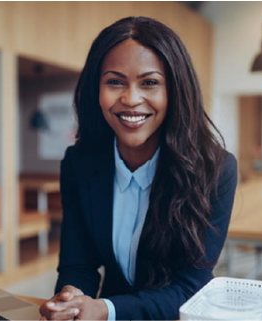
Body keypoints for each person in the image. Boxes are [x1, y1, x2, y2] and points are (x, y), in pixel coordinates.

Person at [39, 16, 237, 321]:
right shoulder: (79, 163)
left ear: (175, 91)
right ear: (97, 89)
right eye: (115, 81)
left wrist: (106, 310)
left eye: (150, 83)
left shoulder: (216, 170)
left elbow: (190, 287)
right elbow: (78, 264)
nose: (131, 99)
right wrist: (71, 298)